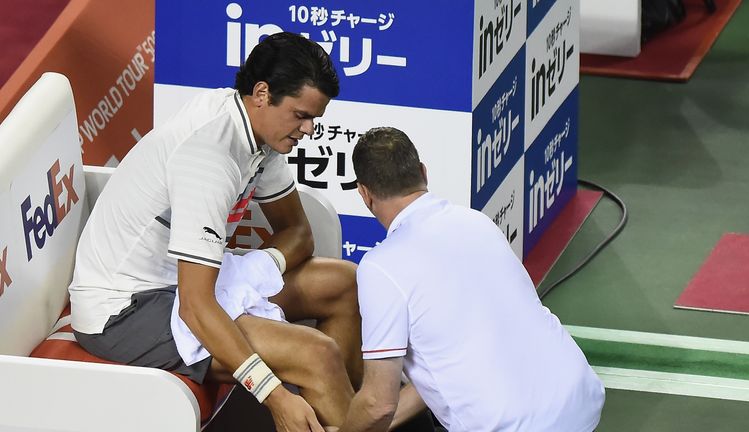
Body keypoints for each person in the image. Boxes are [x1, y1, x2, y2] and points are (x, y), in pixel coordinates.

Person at [68, 32, 361, 431]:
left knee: (346, 283)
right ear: (262, 93)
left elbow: (298, 233)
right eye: (301, 115)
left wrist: (256, 271)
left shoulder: (259, 132)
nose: (309, 129)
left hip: (187, 283)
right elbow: (195, 306)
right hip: (124, 310)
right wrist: (276, 397)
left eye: (315, 118)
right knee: (317, 355)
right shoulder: (209, 157)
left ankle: (354, 416)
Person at [334, 127, 605, 432]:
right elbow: (445, 365)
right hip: (580, 401)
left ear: (364, 193)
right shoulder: (478, 221)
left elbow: (377, 404)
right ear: (423, 172)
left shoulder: (379, 268)